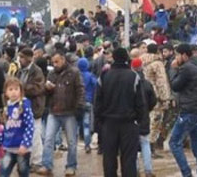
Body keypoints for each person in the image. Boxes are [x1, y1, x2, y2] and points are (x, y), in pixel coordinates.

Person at [94, 47, 147, 177]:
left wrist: (99, 122)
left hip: (108, 124)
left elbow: (97, 102)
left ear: (114, 58)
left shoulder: (104, 76)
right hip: (129, 124)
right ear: (126, 59)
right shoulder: (133, 76)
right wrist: (139, 121)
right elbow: (140, 103)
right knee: (129, 158)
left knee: (109, 158)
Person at [37, 51, 85, 176]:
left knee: (71, 142)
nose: (55, 64)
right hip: (54, 111)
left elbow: (80, 89)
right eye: (53, 62)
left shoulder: (74, 73)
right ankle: (46, 164)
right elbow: (45, 91)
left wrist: (79, 107)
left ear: (63, 59)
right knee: (48, 139)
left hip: (69, 112)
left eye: (57, 61)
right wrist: (47, 89)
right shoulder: (52, 74)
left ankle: (71, 166)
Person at [169, 43, 197, 177]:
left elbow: (175, 86)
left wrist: (173, 70)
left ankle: (186, 173)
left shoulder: (186, 68)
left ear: (184, 55)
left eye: (177, 55)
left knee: (174, 142)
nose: (176, 58)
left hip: (189, 110)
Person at [17, 48, 45, 170]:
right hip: (22, 108)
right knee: (25, 135)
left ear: (28, 58)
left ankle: (37, 161)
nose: (20, 59)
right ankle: (27, 160)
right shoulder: (19, 71)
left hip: (34, 107)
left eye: (22, 57)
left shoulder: (37, 71)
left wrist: (21, 88)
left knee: (35, 135)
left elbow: (38, 88)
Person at [0, 77, 35, 177]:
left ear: (21, 91)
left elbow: (30, 125)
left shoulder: (24, 106)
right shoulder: (6, 107)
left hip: (21, 148)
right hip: (8, 147)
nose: (13, 92)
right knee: (3, 171)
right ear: (6, 92)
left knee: (23, 171)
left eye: (16, 89)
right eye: (10, 89)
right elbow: (4, 127)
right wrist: (1, 142)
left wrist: (25, 144)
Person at [77, 56, 97, 153]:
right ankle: (87, 145)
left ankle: (74, 144)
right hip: (87, 101)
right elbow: (96, 85)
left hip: (76, 103)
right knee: (86, 125)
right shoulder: (90, 75)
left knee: (75, 125)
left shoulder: (75, 75)